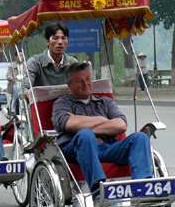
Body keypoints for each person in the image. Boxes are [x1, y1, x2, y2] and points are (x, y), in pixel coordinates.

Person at [51, 62, 153, 198]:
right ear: (70, 85)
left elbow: (121, 125)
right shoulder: (62, 103)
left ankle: (144, 188)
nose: (85, 84)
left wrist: (82, 122)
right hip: (75, 149)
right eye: (79, 81)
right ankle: (98, 190)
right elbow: (70, 124)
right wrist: (103, 119)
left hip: (106, 148)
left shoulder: (105, 102)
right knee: (85, 135)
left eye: (88, 79)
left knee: (140, 137)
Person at [24, 22, 78, 99]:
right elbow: (26, 85)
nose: (60, 42)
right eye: (55, 38)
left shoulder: (72, 64)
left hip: (67, 108)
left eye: (63, 38)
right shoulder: (35, 62)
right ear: (47, 41)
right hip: (41, 107)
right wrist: (26, 92)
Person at [6, 51, 24, 115]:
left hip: (24, 85)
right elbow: (8, 74)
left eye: (22, 55)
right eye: (20, 55)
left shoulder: (26, 65)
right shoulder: (12, 66)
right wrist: (10, 77)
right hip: (14, 84)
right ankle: (12, 107)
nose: (21, 57)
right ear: (16, 57)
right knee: (16, 88)